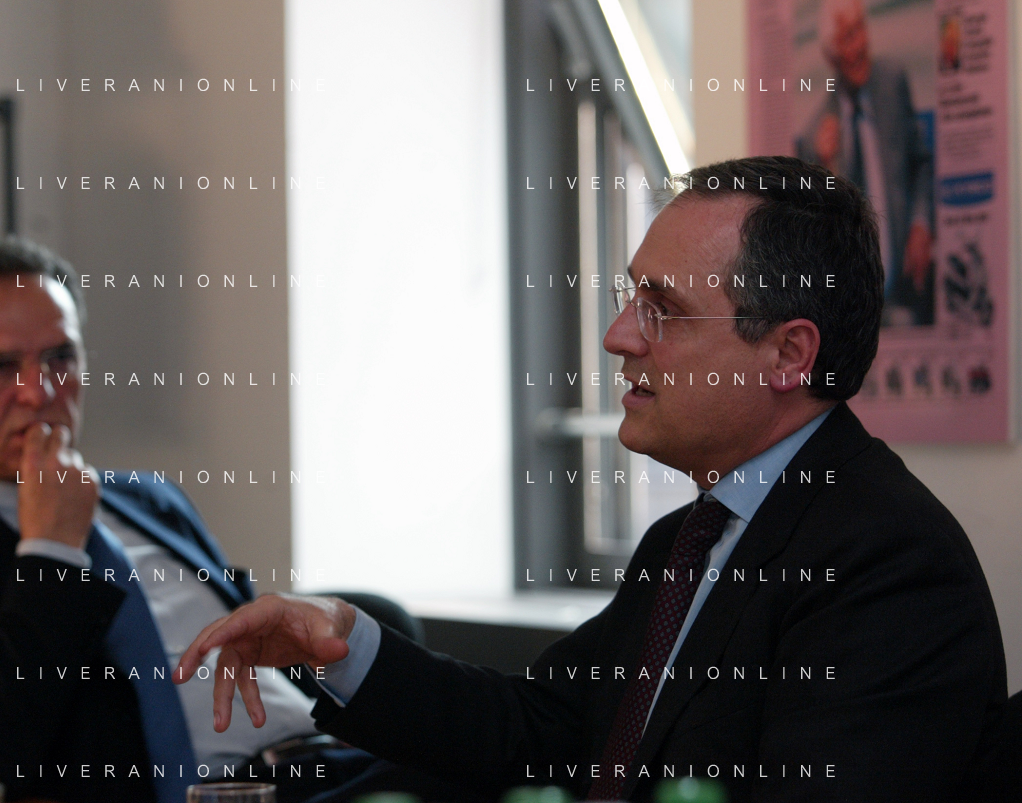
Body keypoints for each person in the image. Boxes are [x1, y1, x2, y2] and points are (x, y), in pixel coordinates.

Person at [175, 157, 1007, 803]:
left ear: (788, 353)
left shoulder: (886, 563)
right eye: (629, 298)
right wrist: (343, 641)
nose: (617, 336)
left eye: (662, 310)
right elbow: (544, 728)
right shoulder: (688, 537)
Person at [0, 239, 375, 803]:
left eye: (60, 357)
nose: (39, 392)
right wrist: (52, 551)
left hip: (338, 761)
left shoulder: (150, 497)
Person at [796, 0, 935, 325]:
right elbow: (813, 242)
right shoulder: (815, 137)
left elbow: (921, 164)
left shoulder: (892, 81)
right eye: (846, 37)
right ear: (830, 55)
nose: (860, 45)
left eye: (860, 28)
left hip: (906, 286)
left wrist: (921, 223)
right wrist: (824, 167)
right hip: (852, 311)